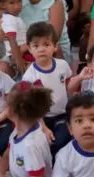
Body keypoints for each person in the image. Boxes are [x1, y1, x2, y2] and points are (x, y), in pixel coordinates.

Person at [22, 22, 73, 156]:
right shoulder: (29, 76)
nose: (41, 49)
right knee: (43, 141)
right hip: (40, 117)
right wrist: (43, 126)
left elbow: (69, 86)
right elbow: (32, 106)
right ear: (29, 48)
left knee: (62, 139)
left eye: (46, 44)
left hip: (62, 115)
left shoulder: (62, 65)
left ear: (55, 46)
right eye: (36, 45)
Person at [16, 0, 72, 64]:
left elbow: (53, 37)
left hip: (53, 50)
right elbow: (4, 33)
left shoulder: (56, 2)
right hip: (27, 48)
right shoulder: (18, 2)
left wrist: (26, 46)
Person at [0, 0, 30, 75]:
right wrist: (18, 59)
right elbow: (12, 39)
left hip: (21, 51)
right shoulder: (9, 19)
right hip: (17, 54)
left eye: (19, 1)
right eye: (11, 3)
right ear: (3, 5)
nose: (16, 6)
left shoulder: (14, 17)